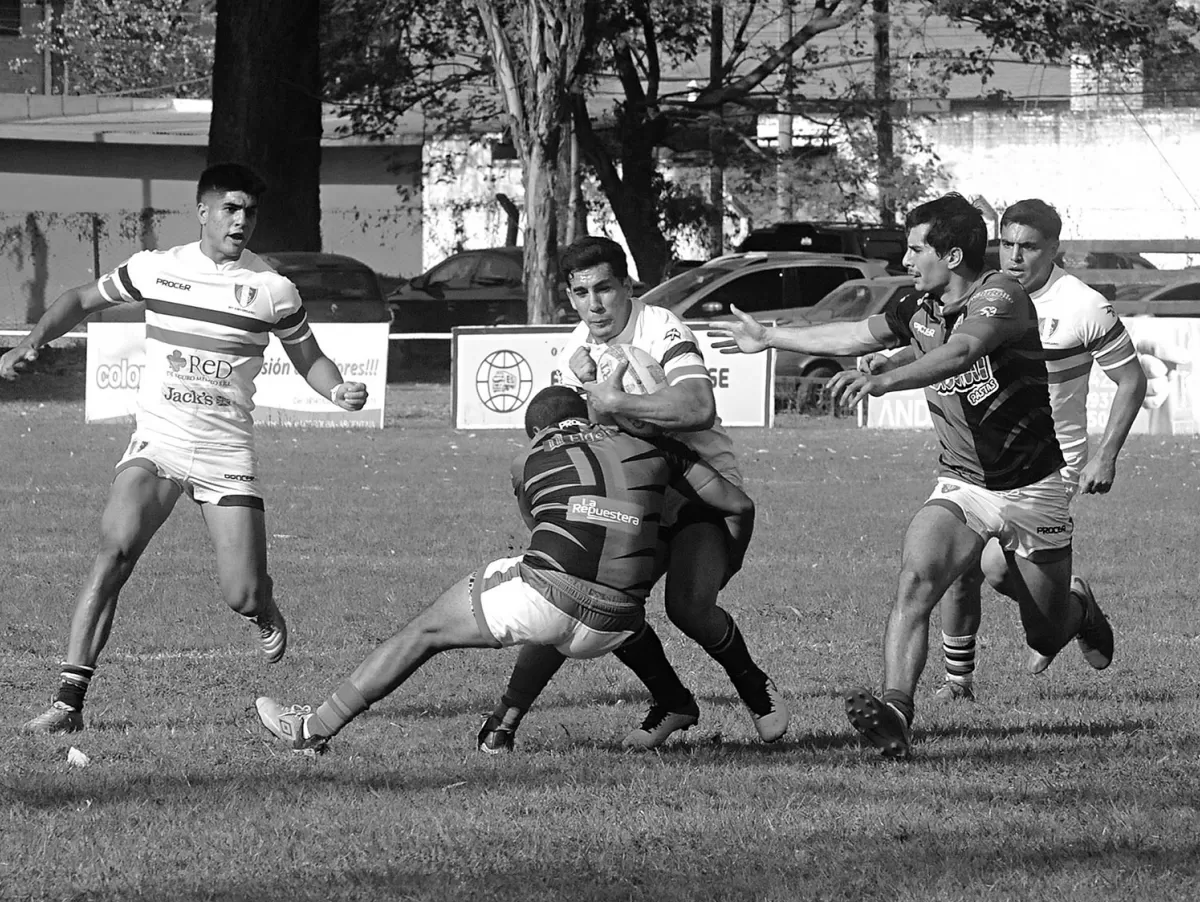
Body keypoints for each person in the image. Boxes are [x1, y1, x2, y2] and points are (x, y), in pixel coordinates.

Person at [708, 193, 1113, 759]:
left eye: (915, 249)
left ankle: (1080, 610)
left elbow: (961, 352)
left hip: (1033, 488)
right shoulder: (916, 304)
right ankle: (896, 712)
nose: (906, 260)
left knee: (1045, 633)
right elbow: (856, 334)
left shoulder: (1002, 294)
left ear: (951, 254)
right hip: (964, 483)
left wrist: (885, 381)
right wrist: (771, 337)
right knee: (916, 580)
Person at [2, 162, 369, 734]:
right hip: (160, 441)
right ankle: (67, 703)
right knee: (114, 550)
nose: (241, 220)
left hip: (227, 453)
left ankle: (263, 605)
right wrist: (29, 343)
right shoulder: (156, 269)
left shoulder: (273, 288)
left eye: (249, 211)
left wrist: (337, 386)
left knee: (241, 594)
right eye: (230, 208)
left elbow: (310, 358)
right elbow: (78, 299)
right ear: (203, 210)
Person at [255, 386, 756, 753]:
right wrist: (723, 567)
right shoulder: (651, 447)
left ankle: (311, 729)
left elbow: (543, 526)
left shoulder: (526, 459)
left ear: (536, 431)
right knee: (573, 592)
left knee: (428, 629)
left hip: (552, 601)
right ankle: (505, 725)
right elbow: (736, 503)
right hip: (618, 623)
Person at [478, 235, 789, 753]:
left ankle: (754, 686)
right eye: (581, 292)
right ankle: (512, 719)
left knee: (689, 609)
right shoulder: (577, 350)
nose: (594, 304)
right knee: (577, 592)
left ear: (627, 287)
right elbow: (592, 444)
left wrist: (614, 398)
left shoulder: (661, 328)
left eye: (604, 289)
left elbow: (697, 410)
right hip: (636, 489)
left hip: (698, 485)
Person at [913, 199, 1145, 700]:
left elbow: (1131, 380)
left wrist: (1107, 455)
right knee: (959, 564)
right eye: (1008, 244)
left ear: (1055, 249)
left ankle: (1073, 607)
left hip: (1049, 462)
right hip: (981, 458)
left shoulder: (1083, 305)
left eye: (1030, 246)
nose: (1015, 256)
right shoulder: (985, 294)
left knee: (997, 569)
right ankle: (957, 682)